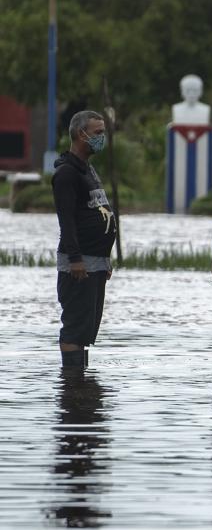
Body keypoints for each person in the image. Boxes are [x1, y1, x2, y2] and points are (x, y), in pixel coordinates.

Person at [52, 110, 117, 368]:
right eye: (98, 132)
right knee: (75, 325)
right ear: (82, 134)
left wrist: (105, 259)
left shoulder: (88, 169)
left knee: (87, 328)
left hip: (97, 261)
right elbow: (66, 221)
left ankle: (83, 387)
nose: (103, 137)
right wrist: (75, 259)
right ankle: (72, 385)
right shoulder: (66, 173)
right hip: (79, 264)